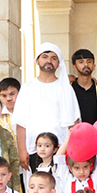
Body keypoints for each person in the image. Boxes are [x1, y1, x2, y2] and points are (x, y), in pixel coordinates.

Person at [14, 42, 81, 172]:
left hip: (61, 149)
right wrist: (22, 150)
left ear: (58, 63)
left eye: (53, 58)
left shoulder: (66, 89)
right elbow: (21, 123)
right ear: (37, 60)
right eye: (45, 57)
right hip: (34, 150)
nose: (49, 61)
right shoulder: (27, 88)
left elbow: (74, 123)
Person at [70, 49, 97, 124]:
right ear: (74, 67)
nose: (86, 64)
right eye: (81, 62)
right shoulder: (68, 90)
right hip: (74, 130)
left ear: (94, 66)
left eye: (89, 61)